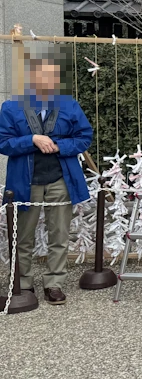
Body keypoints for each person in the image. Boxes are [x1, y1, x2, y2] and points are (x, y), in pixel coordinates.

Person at [0, 56, 94, 307]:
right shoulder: (11, 107)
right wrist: (32, 140)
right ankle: (23, 282)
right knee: (23, 235)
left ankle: (54, 283)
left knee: (59, 234)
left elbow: (84, 138)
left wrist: (58, 145)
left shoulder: (69, 105)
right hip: (24, 180)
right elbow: (3, 142)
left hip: (61, 178)